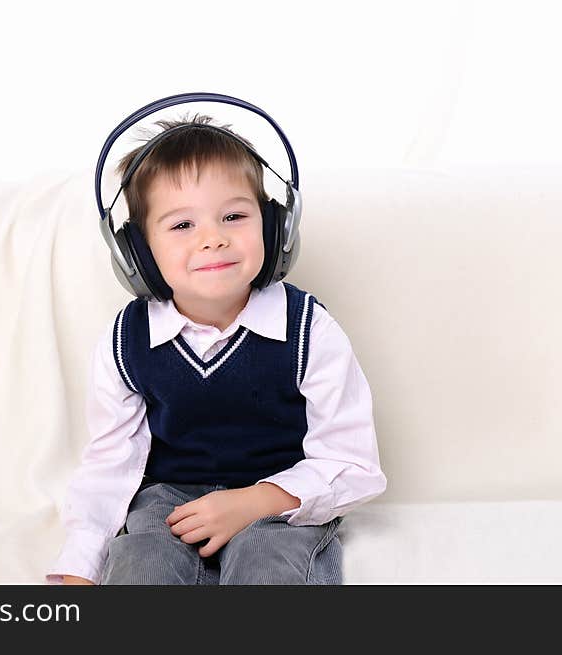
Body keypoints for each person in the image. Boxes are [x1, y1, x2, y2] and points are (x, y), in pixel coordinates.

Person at [45, 113, 387, 585]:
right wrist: (80, 562)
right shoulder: (126, 342)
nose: (213, 238)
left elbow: (352, 463)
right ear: (137, 254)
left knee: (267, 565)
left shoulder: (310, 330)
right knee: (143, 567)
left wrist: (255, 501)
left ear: (275, 228)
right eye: (182, 224)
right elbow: (110, 463)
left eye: (234, 216)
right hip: (168, 503)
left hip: (278, 499)